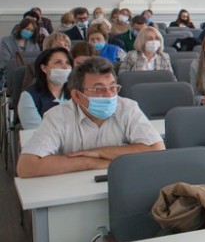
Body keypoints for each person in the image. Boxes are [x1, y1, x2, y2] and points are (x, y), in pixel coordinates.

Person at [16, 57, 165, 178]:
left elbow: (157, 149)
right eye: (99, 89)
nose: (109, 95)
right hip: (71, 189)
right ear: (76, 96)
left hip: (123, 182)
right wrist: (90, 162)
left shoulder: (127, 108)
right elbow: (26, 166)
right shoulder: (58, 116)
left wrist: (100, 152)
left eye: (113, 87)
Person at [17, 47, 73, 130]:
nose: (65, 67)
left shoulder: (76, 93)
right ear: (44, 68)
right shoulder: (29, 96)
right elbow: (37, 133)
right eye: (58, 62)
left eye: (68, 63)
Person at [1, 17, 43, 85]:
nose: (29, 32)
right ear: (20, 28)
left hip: (30, 76)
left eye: (32, 31)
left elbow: (37, 60)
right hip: (10, 75)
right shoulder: (6, 41)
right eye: (27, 29)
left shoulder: (34, 44)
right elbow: (5, 61)